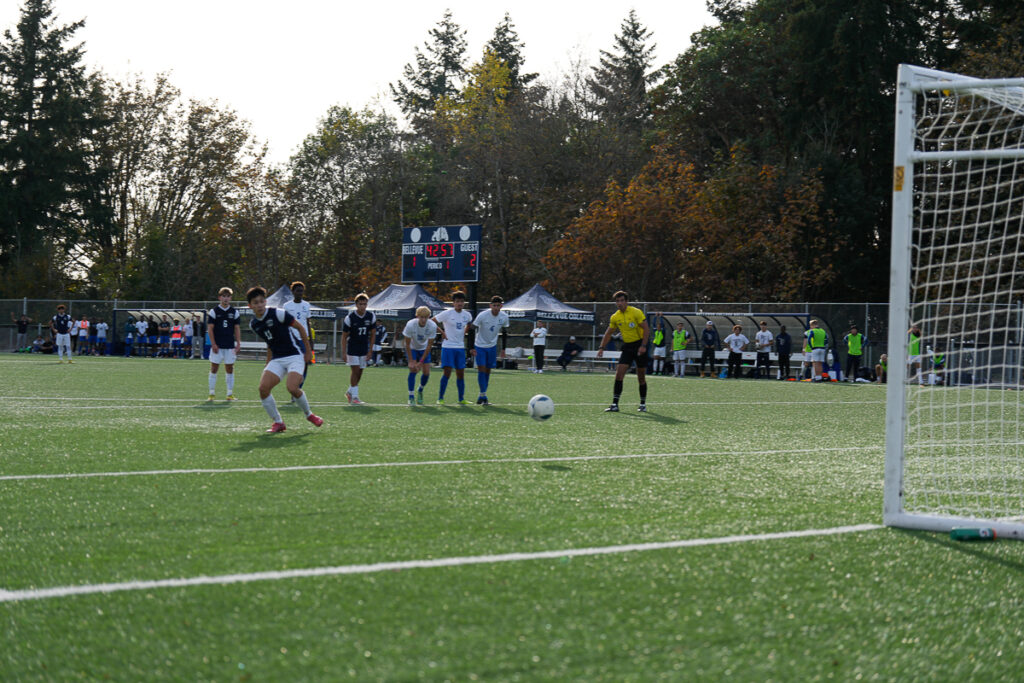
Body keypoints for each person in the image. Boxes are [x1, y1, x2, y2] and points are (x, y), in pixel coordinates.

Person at [246, 286, 323, 433]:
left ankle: (309, 415)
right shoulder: (254, 324)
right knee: (263, 389)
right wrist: (268, 362)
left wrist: (308, 352)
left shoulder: (278, 314)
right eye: (255, 303)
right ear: (250, 306)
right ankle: (278, 422)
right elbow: (269, 342)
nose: (260, 305)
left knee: (292, 387)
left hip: (295, 356)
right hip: (277, 359)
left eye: (262, 301)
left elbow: (301, 328)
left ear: (266, 302)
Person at [596, 290, 651, 412]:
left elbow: (646, 329)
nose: (619, 303)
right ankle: (615, 404)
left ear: (626, 302)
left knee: (641, 377)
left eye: (622, 300)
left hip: (639, 345)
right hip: (627, 347)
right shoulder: (615, 317)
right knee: (619, 374)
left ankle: (642, 404)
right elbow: (609, 332)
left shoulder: (636, 312)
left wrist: (643, 345)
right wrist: (601, 347)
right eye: (617, 301)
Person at [432, 291, 473, 405]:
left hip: (460, 348)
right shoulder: (447, 313)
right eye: (457, 301)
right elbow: (432, 321)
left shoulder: (467, 315)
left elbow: (469, 324)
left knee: (461, 373)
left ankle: (461, 398)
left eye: (461, 301)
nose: (459, 303)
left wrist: (465, 332)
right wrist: (442, 332)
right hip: (448, 347)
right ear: (453, 303)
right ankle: (440, 398)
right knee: (447, 373)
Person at [469, 295, 510, 405]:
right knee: (481, 369)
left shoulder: (504, 317)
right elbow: (472, 329)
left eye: (498, 305)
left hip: (492, 346)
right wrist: (471, 347)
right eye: (494, 305)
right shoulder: (483, 315)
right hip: (480, 346)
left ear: (501, 306)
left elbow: (505, 332)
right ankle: (483, 395)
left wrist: (503, 349)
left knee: (488, 371)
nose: (496, 308)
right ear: (490, 305)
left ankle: (482, 395)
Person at [206, 287, 242, 401]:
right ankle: (211, 394)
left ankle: (229, 394)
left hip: (230, 345)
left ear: (230, 298)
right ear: (219, 297)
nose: (225, 298)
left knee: (230, 368)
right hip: (218, 346)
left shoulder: (234, 312)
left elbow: (236, 328)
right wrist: (213, 344)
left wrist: (238, 343)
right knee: (214, 368)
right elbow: (210, 329)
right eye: (223, 296)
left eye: (228, 296)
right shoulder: (214, 311)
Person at [341, 293, 376, 405]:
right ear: (356, 305)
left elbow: (373, 334)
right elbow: (344, 336)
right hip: (352, 348)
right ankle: (355, 397)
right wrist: (344, 352)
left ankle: (350, 392)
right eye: (360, 304)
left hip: (363, 348)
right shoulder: (350, 318)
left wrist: (370, 350)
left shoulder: (371, 316)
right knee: (355, 371)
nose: (363, 306)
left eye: (365, 304)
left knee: (360, 372)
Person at [403, 306, 438, 405]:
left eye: (426, 317)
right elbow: (407, 344)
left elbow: (429, 345)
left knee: (426, 373)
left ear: (429, 317)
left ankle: (420, 390)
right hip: (412, 348)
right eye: (421, 317)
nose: (423, 320)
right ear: (417, 316)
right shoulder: (410, 325)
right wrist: (411, 360)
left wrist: (421, 362)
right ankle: (411, 396)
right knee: (413, 370)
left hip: (424, 349)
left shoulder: (432, 326)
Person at [283, 281, 312, 388]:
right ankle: (293, 386)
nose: (300, 293)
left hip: (304, 339)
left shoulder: (306, 305)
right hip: (291, 340)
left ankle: (298, 388)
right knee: (293, 364)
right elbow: (284, 323)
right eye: (297, 291)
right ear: (293, 292)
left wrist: (311, 341)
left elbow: (308, 323)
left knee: (305, 364)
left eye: (301, 291)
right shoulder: (287, 306)